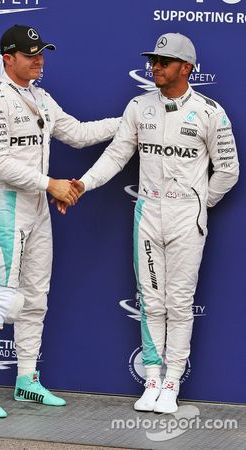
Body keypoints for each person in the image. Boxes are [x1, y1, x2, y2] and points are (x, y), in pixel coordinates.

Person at [59, 33, 239, 413]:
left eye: (164, 61)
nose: (155, 66)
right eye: (153, 60)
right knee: (152, 301)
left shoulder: (210, 112)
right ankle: (152, 379)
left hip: (186, 220)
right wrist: (83, 184)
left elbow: (228, 170)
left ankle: (172, 382)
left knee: (179, 301)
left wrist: (198, 205)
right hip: (147, 214)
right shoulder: (140, 107)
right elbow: (116, 155)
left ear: (186, 68)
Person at [0, 24, 120, 418]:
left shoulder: (42, 99)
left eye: (41, 53)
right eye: (29, 54)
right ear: (7, 59)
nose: (39, 59)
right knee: (1, 296)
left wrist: (129, 121)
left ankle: (26, 380)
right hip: (6, 209)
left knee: (35, 298)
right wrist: (51, 184)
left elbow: (80, 134)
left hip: (37, 210)